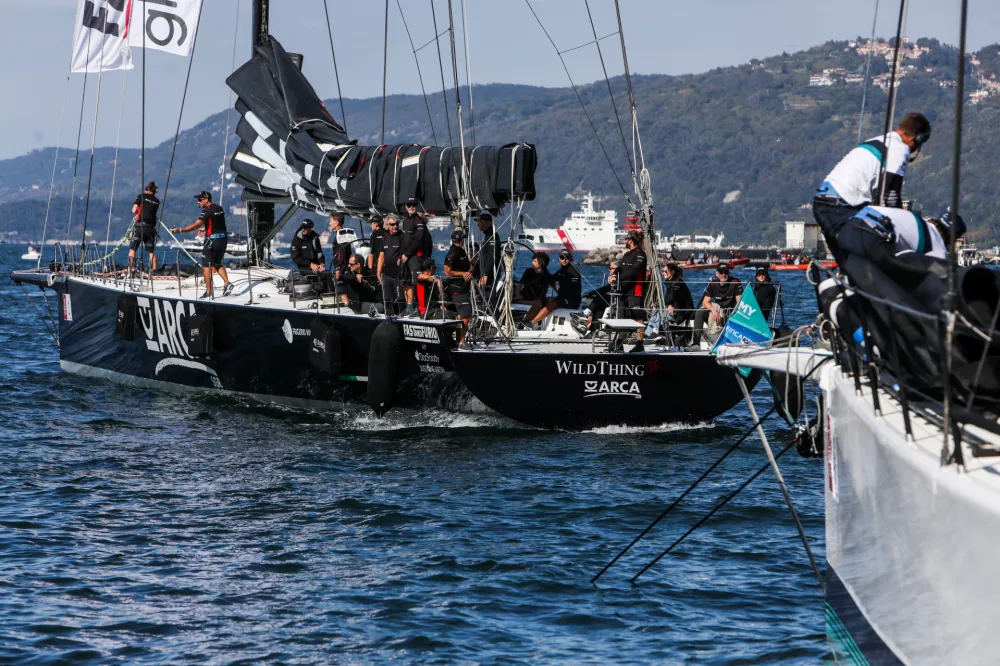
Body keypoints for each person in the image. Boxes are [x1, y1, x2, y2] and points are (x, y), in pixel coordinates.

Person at [813, 112, 932, 263]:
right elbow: (891, 197)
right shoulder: (899, 148)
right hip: (842, 208)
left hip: (825, 204)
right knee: (875, 259)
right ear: (918, 139)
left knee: (850, 265)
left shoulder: (879, 141)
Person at [170, 191, 232, 298]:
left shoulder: (206, 211)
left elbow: (195, 225)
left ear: (206, 199)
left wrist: (180, 230)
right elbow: (217, 224)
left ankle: (208, 291)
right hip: (223, 240)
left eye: (200, 200)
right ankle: (227, 283)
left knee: (205, 265)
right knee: (216, 263)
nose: (198, 202)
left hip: (212, 241)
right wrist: (205, 229)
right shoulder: (219, 208)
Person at [526, 249, 582, 327]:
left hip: (573, 301)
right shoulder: (560, 271)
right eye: (562, 257)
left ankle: (531, 323)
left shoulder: (574, 272)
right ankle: (525, 321)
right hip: (562, 298)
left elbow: (572, 290)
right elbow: (550, 279)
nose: (564, 260)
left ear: (570, 259)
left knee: (551, 302)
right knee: (539, 302)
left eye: (567, 258)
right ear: (559, 258)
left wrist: (559, 294)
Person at [692, 264, 744, 346]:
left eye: (726, 272)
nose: (724, 275)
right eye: (721, 272)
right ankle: (695, 344)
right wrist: (713, 310)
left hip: (730, 311)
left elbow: (739, 301)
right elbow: (705, 302)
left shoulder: (735, 282)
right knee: (699, 312)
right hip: (717, 310)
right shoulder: (713, 283)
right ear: (717, 274)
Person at [618, 230, 648, 353]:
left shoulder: (640, 254)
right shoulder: (626, 255)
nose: (625, 241)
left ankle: (640, 344)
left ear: (630, 240)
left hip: (636, 290)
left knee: (638, 317)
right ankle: (619, 343)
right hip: (624, 290)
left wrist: (619, 278)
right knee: (623, 317)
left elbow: (634, 271)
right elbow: (620, 268)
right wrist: (613, 276)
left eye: (626, 239)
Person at [399, 197, 429, 317]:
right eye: (409, 205)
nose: (411, 207)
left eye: (413, 205)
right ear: (406, 207)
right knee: (407, 282)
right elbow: (405, 240)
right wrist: (402, 254)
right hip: (406, 256)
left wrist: (407, 254)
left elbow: (418, 240)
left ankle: (419, 308)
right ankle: (410, 307)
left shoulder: (419, 221)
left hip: (415, 255)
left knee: (417, 280)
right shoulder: (406, 221)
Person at [289, 218, 336, 293]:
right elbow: (296, 259)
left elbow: (319, 253)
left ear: (311, 228)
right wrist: (310, 264)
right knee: (327, 274)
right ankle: (330, 295)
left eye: (306, 228)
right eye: (303, 227)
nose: (304, 229)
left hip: (316, 266)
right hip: (303, 268)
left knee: (328, 273)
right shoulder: (296, 240)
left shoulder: (315, 238)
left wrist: (321, 264)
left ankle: (328, 294)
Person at [443, 228, 474, 340]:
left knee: (461, 316)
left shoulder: (461, 251)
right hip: (458, 288)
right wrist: (462, 273)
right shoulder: (453, 253)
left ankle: (458, 340)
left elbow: (467, 266)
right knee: (467, 315)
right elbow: (447, 271)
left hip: (464, 287)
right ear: (462, 240)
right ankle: (461, 342)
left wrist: (470, 268)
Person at [376, 214, 404, 313]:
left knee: (400, 299)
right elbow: (381, 256)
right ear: (387, 225)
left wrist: (401, 258)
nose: (395, 226)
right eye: (392, 224)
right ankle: (388, 316)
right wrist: (378, 273)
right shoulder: (385, 237)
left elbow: (407, 252)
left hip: (399, 274)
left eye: (396, 224)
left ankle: (401, 315)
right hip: (386, 274)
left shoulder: (402, 236)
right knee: (387, 299)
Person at [129, 181, 159, 271]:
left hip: (140, 226)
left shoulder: (141, 196)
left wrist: (138, 209)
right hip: (150, 228)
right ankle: (154, 271)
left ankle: (129, 270)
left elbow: (133, 210)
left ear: (146, 190)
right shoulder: (157, 201)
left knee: (133, 249)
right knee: (151, 252)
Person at [474, 211, 502, 290]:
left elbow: (492, 256)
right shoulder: (487, 236)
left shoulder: (492, 237)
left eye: (480, 221)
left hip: (490, 274)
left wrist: (485, 274)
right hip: (485, 271)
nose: (478, 224)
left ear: (488, 223)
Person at [328, 212, 352, 278]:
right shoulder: (340, 233)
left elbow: (343, 252)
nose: (329, 223)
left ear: (337, 223)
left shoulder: (342, 235)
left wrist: (338, 268)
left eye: (331, 221)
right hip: (341, 268)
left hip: (342, 269)